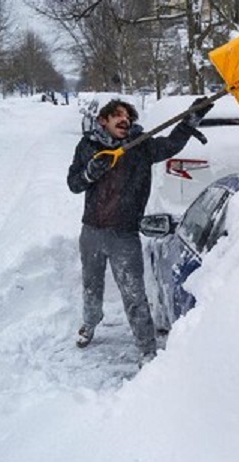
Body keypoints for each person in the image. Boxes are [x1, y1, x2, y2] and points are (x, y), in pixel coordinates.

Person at [67, 97, 212, 363]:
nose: (125, 120)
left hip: (124, 234)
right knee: (91, 285)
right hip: (92, 231)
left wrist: (191, 119)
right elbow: (74, 183)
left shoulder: (141, 146)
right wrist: (90, 172)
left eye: (128, 117)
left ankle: (146, 347)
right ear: (103, 120)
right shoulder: (88, 146)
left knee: (134, 294)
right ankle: (90, 323)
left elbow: (170, 144)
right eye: (118, 116)